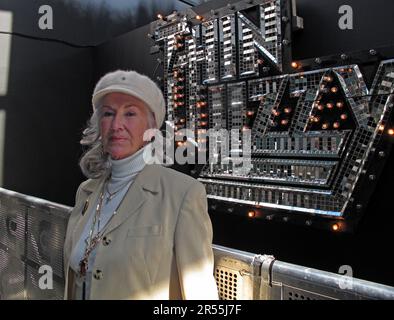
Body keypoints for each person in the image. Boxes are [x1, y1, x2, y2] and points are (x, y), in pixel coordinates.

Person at [63, 70, 218, 300]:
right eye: (108, 113)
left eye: (130, 114)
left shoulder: (182, 194)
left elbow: (200, 295)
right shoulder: (86, 192)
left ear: (151, 126)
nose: (116, 125)